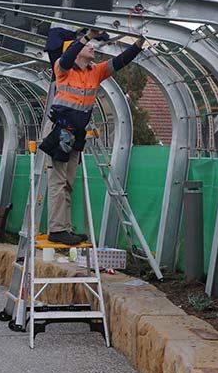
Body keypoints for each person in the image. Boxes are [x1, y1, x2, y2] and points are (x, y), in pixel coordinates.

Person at [40, 27, 144, 245]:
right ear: (77, 51)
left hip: (75, 134)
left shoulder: (95, 71)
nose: (92, 47)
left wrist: (138, 44)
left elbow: (120, 61)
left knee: (68, 182)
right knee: (58, 181)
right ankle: (57, 229)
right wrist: (86, 36)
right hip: (60, 130)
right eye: (88, 46)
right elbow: (67, 57)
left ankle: (64, 228)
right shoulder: (63, 68)